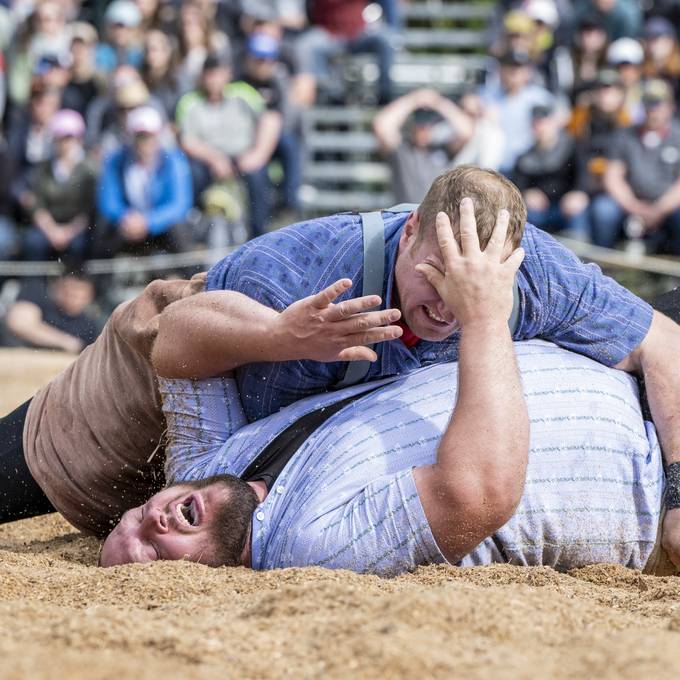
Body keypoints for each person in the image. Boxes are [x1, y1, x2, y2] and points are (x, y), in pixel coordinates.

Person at [99, 213, 666, 576]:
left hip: (655, 394)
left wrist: (279, 336)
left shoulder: (211, 465)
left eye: (132, 520)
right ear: (187, 589)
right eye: (151, 554)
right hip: (652, 474)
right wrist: (486, 314)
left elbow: (176, 338)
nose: (152, 524)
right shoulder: (310, 547)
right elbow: (480, 494)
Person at [177, 53, 281, 238]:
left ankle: (260, 232)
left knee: (258, 174)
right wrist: (215, 158)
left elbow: (271, 119)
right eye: (210, 74)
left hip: (244, 157)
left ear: (228, 74)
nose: (214, 80)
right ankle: (191, 226)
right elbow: (186, 140)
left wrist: (258, 154)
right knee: (191, 172)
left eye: (218, 74)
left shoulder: (244, 94)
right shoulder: (190, 101)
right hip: (207, 161)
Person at [594, 79, 680, 253]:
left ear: (670, 107)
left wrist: (659, 210)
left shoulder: (678, 136)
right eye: (648, 102)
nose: (653, 109)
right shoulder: (625, 135)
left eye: (658, 103)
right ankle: (604, 267)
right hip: (630, 203)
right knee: (603, 209)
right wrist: (635, 207)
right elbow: (612, 177)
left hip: (667, 205)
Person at [96, 106, 193, 255]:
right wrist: (125, 217)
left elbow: (180, 204)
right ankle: (100, 277)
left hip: (161, 227)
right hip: (128, 225)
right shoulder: (116, 161)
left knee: (179, 228)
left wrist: (149, 222)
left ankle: (189, 274)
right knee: (103, 226)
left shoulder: (174, 161)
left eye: (149, 135)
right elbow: (108, 201)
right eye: (140, 136)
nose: (145, 141)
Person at [373, 88, 474, 204]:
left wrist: (438, 102)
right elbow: (381, 125)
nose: (423, 130)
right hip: (408, 217)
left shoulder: (443, 149)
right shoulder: (402, 150)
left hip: (437, 217)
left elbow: (467, 132)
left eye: (427, 126)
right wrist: (413, 100)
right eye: (420, 126)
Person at [22, 109, 96, 263]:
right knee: (32, 242)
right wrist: (52, 231)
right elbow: (37, 204)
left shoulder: (90, 170)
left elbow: (89, 210)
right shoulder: (43, 169)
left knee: (81, 245)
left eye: (69, 137)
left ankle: (77, 286)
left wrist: (69, 232)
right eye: (61, 137)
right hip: (49, 228)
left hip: (78, 230)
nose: (65, 143)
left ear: (79, 138)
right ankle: (35, 287)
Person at [480, 48, 554, 174]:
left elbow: (561, 117)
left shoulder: (539, 97)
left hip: (528, 166)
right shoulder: (486, 94)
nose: (514, 72)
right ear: (500, 70)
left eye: (518, 68)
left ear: (528, 72)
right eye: (509, 67)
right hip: (493, 166)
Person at [511, 103, 577, 234]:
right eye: (536, 124)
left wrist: (579, 193)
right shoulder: (525, 157)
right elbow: (517, 185)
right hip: (540, 209)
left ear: (555, 123)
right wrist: (527, 193)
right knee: (528, 216)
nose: (541, 128)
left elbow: (582, 177)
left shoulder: (572, 148)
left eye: (545, 123)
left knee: (579, 212)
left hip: (566, 205)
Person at [2, 273, 101, 353]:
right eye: (67, 291)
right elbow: (18, 323)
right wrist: (66, 342)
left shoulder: (89, 325)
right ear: (58, 287)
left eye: (77, 294)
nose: (71, 296)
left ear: (89, 296)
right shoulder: (38, 293)